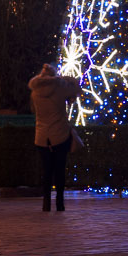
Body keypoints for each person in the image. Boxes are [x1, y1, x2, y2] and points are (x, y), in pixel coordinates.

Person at [29, 63, 80, 212]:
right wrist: (63, 77)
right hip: (60, 134)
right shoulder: (60, 89)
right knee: (59, 170)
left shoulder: (34, 92)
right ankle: (59, 202)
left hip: (42, 135)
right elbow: (76, 88)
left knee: (46, 170)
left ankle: (46, 203)